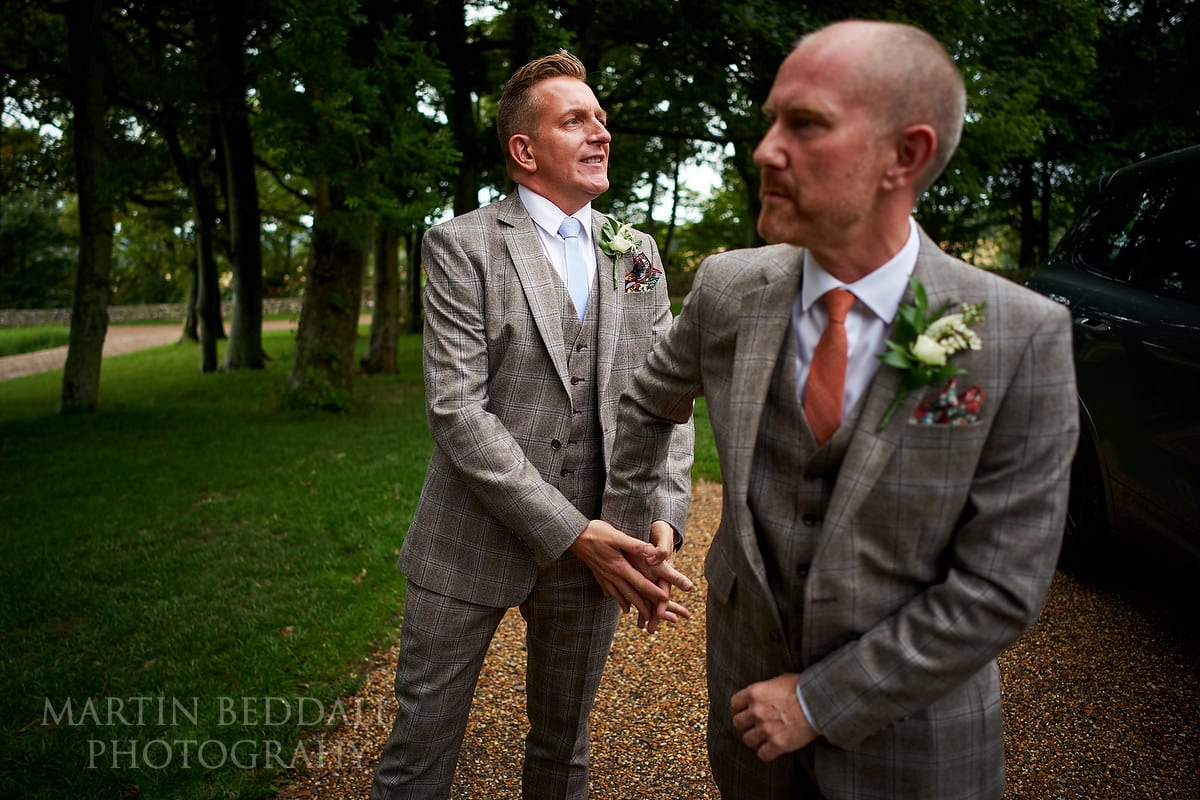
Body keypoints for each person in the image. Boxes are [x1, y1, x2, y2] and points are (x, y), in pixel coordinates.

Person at [600, 19, 1079, 799]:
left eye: (808, 123)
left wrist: (821, 702)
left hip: (915, 751)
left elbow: (1002, 587)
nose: (765, 150)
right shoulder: (728, 290)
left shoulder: (1019, 335)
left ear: (907, 155)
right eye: (770, 122)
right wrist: (640, 523)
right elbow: (646, 406)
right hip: (746, 726)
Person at [368, 50, 694, 800]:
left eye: (602, 119)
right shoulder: (462, 245)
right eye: (575, 120)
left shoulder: (635, 252)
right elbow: (456, 411)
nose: (600, 133)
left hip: (601, 549)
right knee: (419, 753)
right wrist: (572, 532)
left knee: (563, 753)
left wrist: (660, 517)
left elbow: (669, 399)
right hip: (468, 541)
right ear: (525, 150)